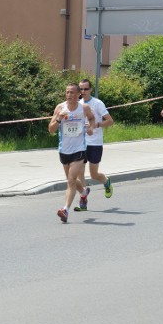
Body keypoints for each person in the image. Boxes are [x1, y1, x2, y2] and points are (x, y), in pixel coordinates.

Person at [48, 83, 96, 223]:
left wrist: (91, 128)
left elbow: (92, 118)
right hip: (64, 149)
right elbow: (51, 129)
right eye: (67, 92)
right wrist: (59, 118)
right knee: (72, 181)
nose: (69, 95)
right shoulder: (60, 108)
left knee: (71, 180)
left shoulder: (84, 108)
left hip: (79, 149)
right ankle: (84, 193)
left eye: (72, 92)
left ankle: (65, 210)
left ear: (78, 95)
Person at [74, 78, 114, 212]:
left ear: (91, 89)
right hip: (81, 143)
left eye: (86, 89)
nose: (83, 91)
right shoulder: (77, 104)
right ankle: (83, 201)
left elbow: (110, 121)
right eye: (81, 89)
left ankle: (106, 182)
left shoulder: (97, 103)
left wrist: (96, 125)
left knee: (93, 174)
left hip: (95, 143)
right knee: (80, 173)